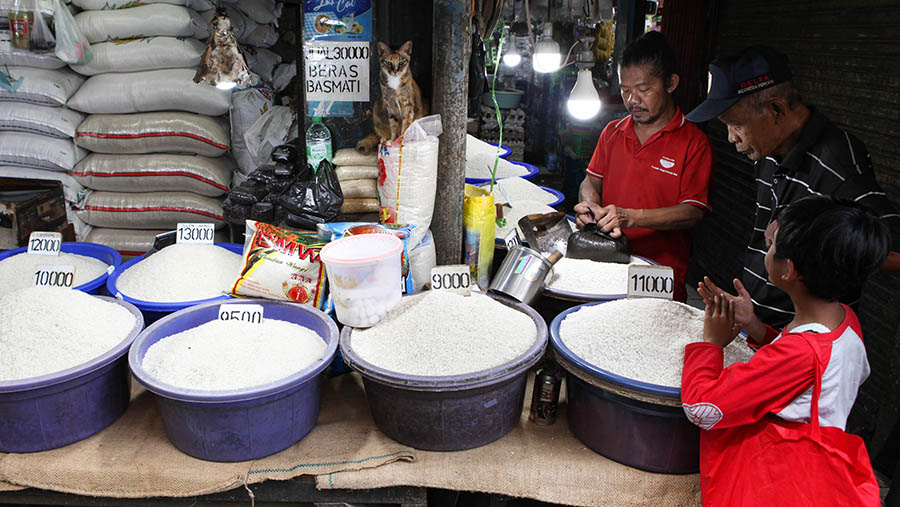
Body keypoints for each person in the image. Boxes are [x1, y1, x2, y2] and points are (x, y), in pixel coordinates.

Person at [682, 196, 889, 506]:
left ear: (789, 269)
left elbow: (703, 407)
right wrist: (754, 325)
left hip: (776, 479)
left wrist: (710, 343)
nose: (767, 253)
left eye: (772, 246)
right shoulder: (845, 319)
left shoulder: (800, 353)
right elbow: (811, 368)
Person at [686, 45, 900, 330]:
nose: (731, 138)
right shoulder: (767, 151)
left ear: (776, 109)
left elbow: (894, 254)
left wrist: (817, 240)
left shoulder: (838, 162)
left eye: (736, 124)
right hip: (760, 330)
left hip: (804, 347)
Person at [574, 31, 714, 302]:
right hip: (608, 262)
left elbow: (692, 212)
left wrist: (629, 217)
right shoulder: (612, 132)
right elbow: (591, 181)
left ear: (671, 83)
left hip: (659, 275)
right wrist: (589, 205)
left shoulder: (694, 143)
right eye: (625, 90)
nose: (632, 100)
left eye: (643, 90)